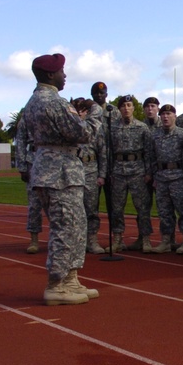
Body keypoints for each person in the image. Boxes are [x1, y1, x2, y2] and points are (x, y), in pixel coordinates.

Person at [22, 53, 101, 305]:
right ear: (50, 75)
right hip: (60, 173)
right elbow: (83, 132)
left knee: (75, 226)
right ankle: (57, 283)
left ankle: (70, 279)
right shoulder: (53, 102)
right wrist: (95, 113)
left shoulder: (34, 101)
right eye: (61, 71)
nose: (64, 75)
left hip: (53, 170)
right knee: (65, 228)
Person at [107, 95, 155, 252]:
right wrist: (110, 172)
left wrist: (148, 172)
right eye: (123, 106)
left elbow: (148, 152)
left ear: (134, 108)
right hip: (118, 171)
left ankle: (145, 239)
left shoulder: (142, 127)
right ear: (119, 109)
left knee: (142, 207)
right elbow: (108, 152)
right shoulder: (112, 127)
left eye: (129, 105)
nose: (126, 108)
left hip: (138, 171)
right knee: (117, 208)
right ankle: (118, 239)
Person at [150, 104, 183, 253]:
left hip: (178, 176)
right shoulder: (155, 134)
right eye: (163, 114)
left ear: (175, 116)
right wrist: (154, 174)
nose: (166, 117)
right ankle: (167, 240)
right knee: (164, 211)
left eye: (169, 114)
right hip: (161, 177)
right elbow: (152, 157)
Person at [72, 97, 108, 254]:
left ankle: (92, 240)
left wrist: (102, 175)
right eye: (77, 110)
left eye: (83, 110)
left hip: (91, 171)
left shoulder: (95, 130)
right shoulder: (69, 129)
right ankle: (77, 241)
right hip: (73, 173)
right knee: (73, 210)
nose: (80, 113)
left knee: (92, 210)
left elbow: (103, 153)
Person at [13, 110, 44, 254]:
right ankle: (34, 240)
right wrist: (22, 167)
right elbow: (20, 142)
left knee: (57, 204)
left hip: (53, 160)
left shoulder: (54, 113)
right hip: (33, 161)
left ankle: (59, 240)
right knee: (34, 204)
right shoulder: (27, 118)